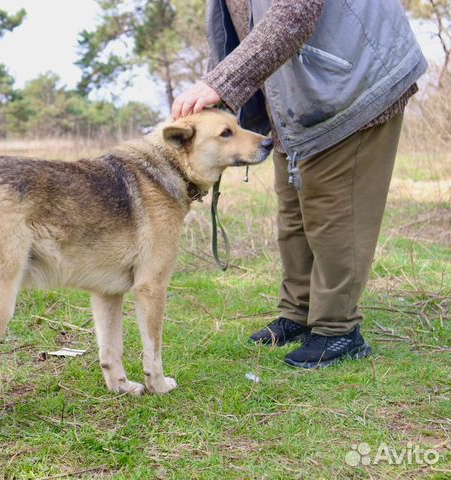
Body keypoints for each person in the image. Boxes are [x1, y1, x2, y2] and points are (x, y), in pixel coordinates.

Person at [172, 0, 427, 368]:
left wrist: (221, 82)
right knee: (293, 212)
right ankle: (299, 313)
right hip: (298, 97)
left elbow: (295, 12)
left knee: (334, 213)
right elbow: (237, 29)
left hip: (352, 83)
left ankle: (338, 330)